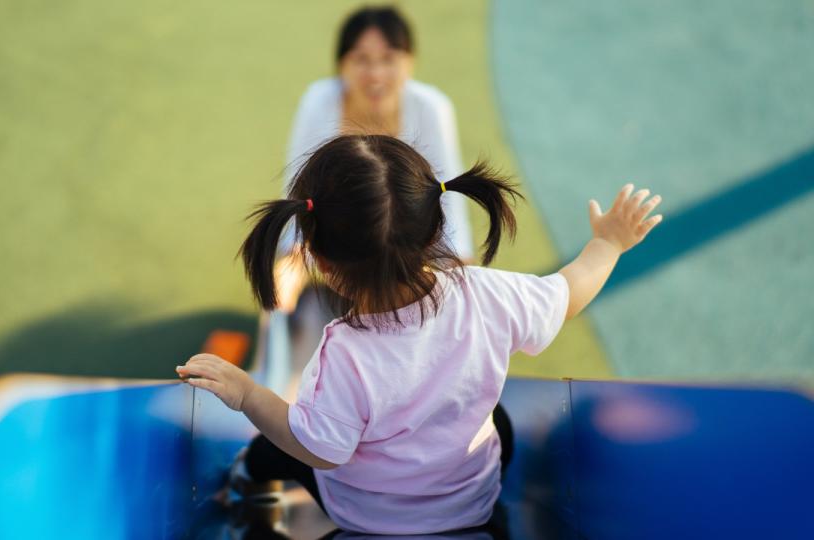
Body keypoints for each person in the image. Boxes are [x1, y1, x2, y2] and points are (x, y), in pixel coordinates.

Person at [177, 135, 663, 535]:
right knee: (497, 419)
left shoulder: (345, 353)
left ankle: (248, 482)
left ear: (322, 263)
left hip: (367, 518)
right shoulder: (490, 294)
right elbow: (569, 293)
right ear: (435, 229)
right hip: (468, 505)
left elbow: (320, 450)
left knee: (281, 436)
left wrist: (247, 394)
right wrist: (607, 243)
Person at [275, 6, 474, 313]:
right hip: (334, 252)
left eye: (388, 59)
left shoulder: (432, 107)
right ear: (342, 65)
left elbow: (449, 201)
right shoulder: (318, 101)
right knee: (281, 307)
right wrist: (290, 264)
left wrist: (456, 270)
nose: (376, 74)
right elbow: (297, 192)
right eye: (361, 60)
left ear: (409, 62)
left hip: (404, 255)